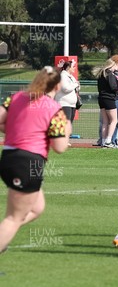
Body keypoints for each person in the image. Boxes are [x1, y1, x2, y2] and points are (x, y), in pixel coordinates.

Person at [0, 67, 71, 253]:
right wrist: (67, 130)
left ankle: (4, 233)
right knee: (13, 218)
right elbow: (60, 147)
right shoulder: (55, 109)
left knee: (37, 208)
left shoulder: (16, 97)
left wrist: (17, 130)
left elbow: (1, 120)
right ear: (57, 86)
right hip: (28, 162)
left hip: (8, 157)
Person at [96, 56, 118, 148]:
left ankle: (103, 141)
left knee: (105, 121)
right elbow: (114, 87)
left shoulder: (102, 73)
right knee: (114, 120)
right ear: (114, 64)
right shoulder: (110, 74)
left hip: (101, 98)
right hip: (109, 98)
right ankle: (108, 141)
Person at [55, 60, 80, 124]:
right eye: (73, 66)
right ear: (68, 67)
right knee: (65, 125)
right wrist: (75, 85)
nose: (75, 68)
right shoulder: (63, 76)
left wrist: (77, 86)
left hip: (72, 105)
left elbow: (77, 88)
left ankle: (68, 134)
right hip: (64, 104)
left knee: (69, 126)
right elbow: (65, 88)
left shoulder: (71, 77)